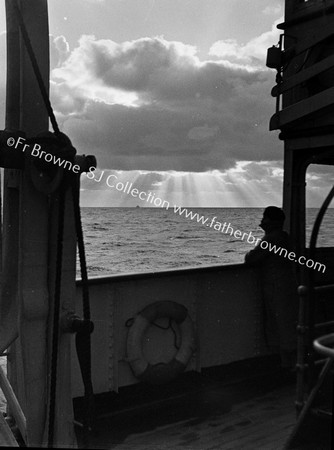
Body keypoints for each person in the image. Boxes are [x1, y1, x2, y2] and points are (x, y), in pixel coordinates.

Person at [245, 206, 298, 369]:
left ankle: (287, 365)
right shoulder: (285, 237)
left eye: (264, 217)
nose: (262, 220)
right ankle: (290, 363)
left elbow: (251, 259)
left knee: (282, 326)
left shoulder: (270, 240)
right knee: (288, 324)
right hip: (288, 286)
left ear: (271, 221)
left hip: (276, 288)